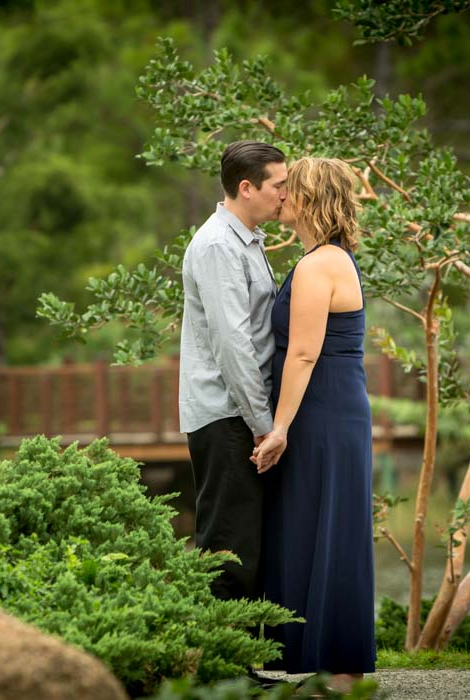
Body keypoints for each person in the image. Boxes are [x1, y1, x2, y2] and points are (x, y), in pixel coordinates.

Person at [252, 156, 376, 693]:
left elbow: (302, 354)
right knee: (313, 523)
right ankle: (321, 660)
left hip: (321, 409)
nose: (281, 197)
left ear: (310, 200)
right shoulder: (317, 259)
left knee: (332, 526)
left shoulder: (320, 263)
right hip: (322, 407)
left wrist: (278, 428)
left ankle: (342, 666)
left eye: (289, 190)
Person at [179, 140, 287, 601]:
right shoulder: (220, 246)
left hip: (240, 414)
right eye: (279, 186)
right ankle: (222, 669)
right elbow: (233, 345)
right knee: (228, 545)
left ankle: (243, 665)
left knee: (246, 542)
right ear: (247, 188)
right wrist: (264, 426)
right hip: (228, 416)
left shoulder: (245, 240)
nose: (286, 194)